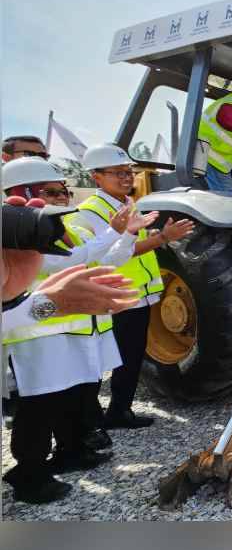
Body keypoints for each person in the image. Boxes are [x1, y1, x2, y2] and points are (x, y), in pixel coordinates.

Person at [3, 157, 155, 452]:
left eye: (64, 192)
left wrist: (126, 235)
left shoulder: (67, 226)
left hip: (76, 326)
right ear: (25, 192)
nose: (61, 198)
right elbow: (72, 259)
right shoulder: (17, 234)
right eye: (51, 192)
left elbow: (104, 258)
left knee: (75, 397)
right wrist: (116, 232)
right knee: (39, 406)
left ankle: (73, 450)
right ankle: (31, 476)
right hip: (41, 334)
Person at [71, 145, 195, 430]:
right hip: (112, 295)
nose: (127, 177)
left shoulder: (126, 203)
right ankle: (92, 422)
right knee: (108, 358)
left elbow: (129, 245)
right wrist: (162, 237)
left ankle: (119, 411)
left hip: (134, 293)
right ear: (96, 177)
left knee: (130, 356)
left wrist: (153, 235)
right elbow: (111, 255)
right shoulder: (90, 212)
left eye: (128, 172)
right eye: (118, 173)